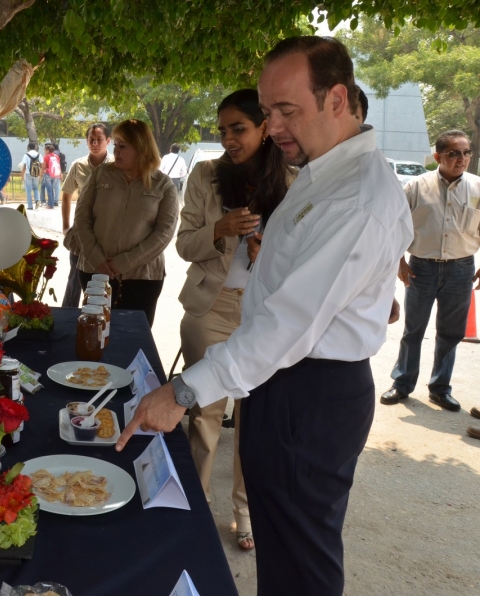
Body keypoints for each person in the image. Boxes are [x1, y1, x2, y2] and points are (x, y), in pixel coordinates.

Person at [118, 37, 413, 596]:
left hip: (311, 391)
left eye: (286, 111)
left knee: (301, 561)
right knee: (281, 551)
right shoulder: (324, 173)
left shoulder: (355, 195)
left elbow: (286, 327)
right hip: (285, 383)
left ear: (337, 99)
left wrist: (182, 391)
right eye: (267, 110)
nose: (273, 126)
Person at [175, 88, 295, 551]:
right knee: (203, 412)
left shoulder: (293, 179)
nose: (227, 138)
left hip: (264, 314)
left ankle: (245, 514)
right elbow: (185, 244)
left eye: (238, 128)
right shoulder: (205, 175)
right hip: (210, 307)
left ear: (265, 127)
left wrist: (270, 254)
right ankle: (195, 509)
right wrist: (219, 230)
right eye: (223, 129)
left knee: (254, 419)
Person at [380, 129, 480, 413]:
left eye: (466, 153)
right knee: (413, 329)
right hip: (420, 268)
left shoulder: (477, 187)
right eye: (454, 153)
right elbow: (395, 225)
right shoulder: (415, 187)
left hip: (461, 269)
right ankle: (402, 384)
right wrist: (399, 260)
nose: (461, 159)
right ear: (437, 156)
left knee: (450, 333)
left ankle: (440, 389)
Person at [73, 119, 179, 327]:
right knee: (94, 335)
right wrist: (97, 259)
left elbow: (164, 233)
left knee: (133, 339)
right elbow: (81, 219)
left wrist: (123, 263)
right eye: (115, 146)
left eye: (123, 146)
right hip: (95, 271)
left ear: (141, 148)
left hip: (142, 278)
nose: (116, 152)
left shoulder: (163, 185)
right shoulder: (101, 174)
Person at [61, 122, 112, 307]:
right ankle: (68, 315)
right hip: (82, 229)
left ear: (108, 140)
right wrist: (66, 226)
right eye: (92, 139)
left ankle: (97, 315)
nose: (95, 143)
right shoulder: (78, 165)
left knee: (101, 278)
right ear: (86, 141)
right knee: (75, 274)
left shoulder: (116, 166)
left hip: (106, 230)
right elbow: (66, 194)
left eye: (99, 140)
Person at [20, 141, 42, 209]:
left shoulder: (26, 155)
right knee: (35, 188)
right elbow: (41, 165)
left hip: (28, 174)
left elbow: (24, 165)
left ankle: (30, 206)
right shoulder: (39, 154)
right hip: (36, 174)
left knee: (28, 189)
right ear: (35, 147)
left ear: (28, 147)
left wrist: (22, 175)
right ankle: (37, 200)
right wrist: (40, 174)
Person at [41, 142, 62, 209]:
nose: (44, 151)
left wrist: (41, 174)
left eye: (45, 150)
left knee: (49, 190)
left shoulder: (46, 157)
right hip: (56, 174)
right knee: (52, 189)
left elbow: (43, 166)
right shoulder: (56, 156)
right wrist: (60, 174)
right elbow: (58, 166)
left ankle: (50, 205)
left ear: (47, 150)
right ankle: (52, 203)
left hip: (48, 174)